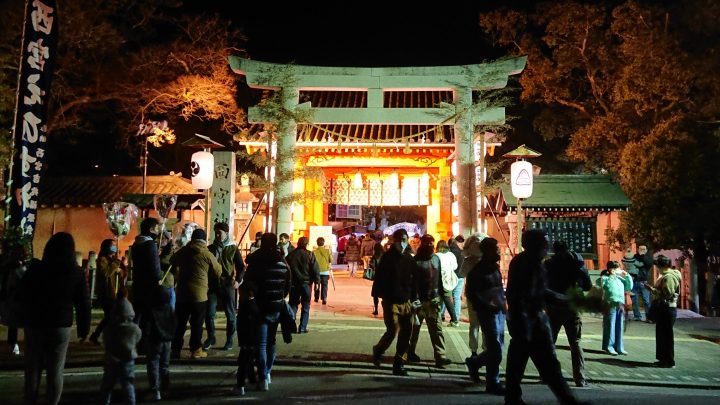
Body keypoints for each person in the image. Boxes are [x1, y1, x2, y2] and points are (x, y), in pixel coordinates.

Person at [504, 229, 585, 405]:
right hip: (526, 321)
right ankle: (566, 400)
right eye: (543, 243)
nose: (546, 246)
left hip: (534, 320)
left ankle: (514, 397)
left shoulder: (536, 263)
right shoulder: (524, 263)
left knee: (539, 364)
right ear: (532, 245)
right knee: (533, 364)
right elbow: (521, 294)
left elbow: (541, 292)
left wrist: (563, 299)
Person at [19, 232, 90, 405]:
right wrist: (84, 329)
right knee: (56, 369)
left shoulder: (37, 268)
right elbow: (83, 303)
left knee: (33, 367)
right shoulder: (76, 272)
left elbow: (23, 293)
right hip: (60, 324)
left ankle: (30, 400)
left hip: (36, 322)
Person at [244, 233, 291, 391]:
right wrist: (279, 297)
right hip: (276, 306)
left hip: (259, 307)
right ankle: (268, 373)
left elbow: (248, 283)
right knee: (271, 342)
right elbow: (287, 286)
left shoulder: (256, 261)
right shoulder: (283, 263)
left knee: (261, 344)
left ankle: (263, 377)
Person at [545, 241, 592, 387]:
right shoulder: (577, 263)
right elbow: (587, 285)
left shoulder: (549, 264)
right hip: (573, 306)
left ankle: (551, 375)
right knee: (576, 342)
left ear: (554, 249)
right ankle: (580, 378)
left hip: (554, 306)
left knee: (550, 342)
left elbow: (542, 284)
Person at [371, 229, 417, 376]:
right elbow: (379, 279)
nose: (404, 243)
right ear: (395, 241)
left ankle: (399, 362)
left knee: (406, 331)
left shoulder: (409, 259)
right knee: (392, 330)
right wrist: (378, 298)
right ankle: (378, 349)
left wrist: (415, 298)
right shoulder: (387, 258)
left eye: (406, 240)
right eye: (401, 240)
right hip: (391, 301)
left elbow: (414, 281)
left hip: (406, 301)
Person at [170, 228, 222, 359]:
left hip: (182, 293)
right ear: (204, 239)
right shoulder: (207, 254)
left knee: (180, 323)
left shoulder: (183, 251)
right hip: (199, 295)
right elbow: (218, 271)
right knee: (197, 323)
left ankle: (176, 349)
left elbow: (172, 261)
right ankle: (196, 350)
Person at [464, 237, 506, 395]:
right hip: (487, 313)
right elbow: (471, 293)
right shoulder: (478, 270)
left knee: (498, 346)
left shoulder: (494, 267)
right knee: (495, 347)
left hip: (499, 311)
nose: (497, 251)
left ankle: (475, 363)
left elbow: (498, 288)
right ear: (486, 250)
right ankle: (492, 381)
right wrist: (486, 303)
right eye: (494, 248)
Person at [407, 235, 452, 368]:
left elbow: (438, 279)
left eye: (432, 244)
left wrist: (441, 296)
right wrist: (413, 299)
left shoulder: (436, 259)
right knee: (414, 329)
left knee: (437, 329)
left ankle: (440, 356)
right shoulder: (415, 261)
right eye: (428, 243)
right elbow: (411, 282)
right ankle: (410, 352)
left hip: (433, 300)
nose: (430, 246)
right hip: (419, 301)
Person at [205, 222, 244, 351]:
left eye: (219, 232)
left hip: (228, 284)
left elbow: (241, 267)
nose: (217, 235)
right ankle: (211, 337)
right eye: (215, 232)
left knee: (230, 314)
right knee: (209, 313)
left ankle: (229, 339)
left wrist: (238, 280)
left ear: (226, 233)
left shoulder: (233, 248)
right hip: (213, 284)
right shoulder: (210, 248)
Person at [100, 295, 142, 405]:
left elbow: (106, 340)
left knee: (107, 385)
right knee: (128, 383)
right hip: (128, 359)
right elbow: (138, 337)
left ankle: (105, 401)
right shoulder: (134, 328)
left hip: (112, 359)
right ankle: (131, 402)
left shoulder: (111, 328)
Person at [645, 255, 682, 368]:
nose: (657, 268)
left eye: (658, 266)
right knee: (661, 335)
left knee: (666, 336)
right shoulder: (666, 275)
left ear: (662, 266)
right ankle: (662, 359)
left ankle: (669, 361)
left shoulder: (669, 277)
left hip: (667, 308)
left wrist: (652, 290)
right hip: (665, 308)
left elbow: (668, 293)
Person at [89, 239, 126, 345]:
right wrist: (115, 263)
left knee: (111, 316)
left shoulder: (113, 260)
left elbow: (121, 274)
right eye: (112, 246)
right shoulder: (102, 260)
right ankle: (102, 336)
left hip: (114, 292)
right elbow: (106, 273)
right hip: (106, 293)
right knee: (110, 316)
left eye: (115, 246)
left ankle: (98, 335)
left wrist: (122, 267)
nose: (115, 248)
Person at [130, 218, 163, 331]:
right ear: (151, 229)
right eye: (157, 228)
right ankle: (144, 341)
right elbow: (154, 266)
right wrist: (158, 279)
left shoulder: (136, 244)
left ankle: (131, 336)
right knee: (147, 315)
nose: (158, 231)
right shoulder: (150, 245)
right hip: (149, 285)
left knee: (137, 312)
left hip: (138, 282)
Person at [144, 285, 176, 401]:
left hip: (155, 340)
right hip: (167, 341)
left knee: (153, 365)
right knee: (164, 366)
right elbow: (174, 324)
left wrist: (146, 338)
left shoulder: (152, 310)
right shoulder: (170, 309)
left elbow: (148, 326)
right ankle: (166, 389)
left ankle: (154, 391)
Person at [231, 270, 259, 397]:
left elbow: (241, 325)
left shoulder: (245, 306)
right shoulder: (255, 306)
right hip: (253, 339)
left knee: (243, 361)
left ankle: (240, 385)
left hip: (246, 339)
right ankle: (252, 379)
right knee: (249, 360)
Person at [0, 236, 29, 356]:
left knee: (13, 323)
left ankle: (13, 345)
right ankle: (14, 345)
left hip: (8, 296)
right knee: (15, 322)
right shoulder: (18, 267)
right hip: (13, 298)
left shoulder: (7, 264)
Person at [598, 260, 633, 356]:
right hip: (610, 303)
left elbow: (629, 287)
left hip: (620, 303)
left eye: (618, 267)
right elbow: (605, 287)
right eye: (616, 268)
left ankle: (619, 347)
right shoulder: (605, 278)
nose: (618, 270)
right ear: (610, 269)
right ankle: (609, 347)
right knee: (610, 325)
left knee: (619, 326)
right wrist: (612, 276)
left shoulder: (620, 278)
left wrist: (627, 276)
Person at [286, 237, 320, 333]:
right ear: (306, 244)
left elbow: (286, 269)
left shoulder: (291, 255)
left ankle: (291, 326)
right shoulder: (310, 254)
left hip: (293, 284)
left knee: (293, 304)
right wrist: (317, 282)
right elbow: (315, 269)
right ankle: (302, 327)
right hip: (306, 284)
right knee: (305, 305)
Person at [459, 233, 485, 358]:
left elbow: (462, 274)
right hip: (486, 296)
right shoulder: (488, 262)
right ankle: (486, 349)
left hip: (472, 295)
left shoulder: (468, 261)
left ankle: (473, 351)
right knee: (486, 324)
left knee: (474, 325)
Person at [436, 239, 459, 326]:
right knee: (447, 300)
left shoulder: (436, 255)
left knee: (438, 300)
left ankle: (439, 319)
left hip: (437, 280)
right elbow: (455, 267)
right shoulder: (451, 255)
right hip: (447, 280)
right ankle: (454, 320)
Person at [632, 245, 653, 321]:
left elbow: (649, 263)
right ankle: (637, 316)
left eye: (644, 249)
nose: (642, 250)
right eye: (640, 249)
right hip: (634, 280)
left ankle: (649, 317)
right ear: (637, 249)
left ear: (646, 250)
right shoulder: (634, 257)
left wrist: (643, 256)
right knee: (634, 299)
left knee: (646, 300)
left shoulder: (648, 258)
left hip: (643, 281)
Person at [448, 236, 465, 326]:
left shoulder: (450, 252)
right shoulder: (462, 253)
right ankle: (456, 316)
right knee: (457, 297)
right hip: (461, 276)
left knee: (446, 295)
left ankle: (442, 315)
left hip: (452, 276)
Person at [313, 237, 333, 305]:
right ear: (323, 243)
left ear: (317, 243)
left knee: (317, 284)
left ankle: (316, 298)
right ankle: (324, 298)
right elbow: (331, 260)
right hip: (325, 271)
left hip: (316, 271)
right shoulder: (327, 251)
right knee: (324, 285)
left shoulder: (314, 252)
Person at [369, 243, 385, 316]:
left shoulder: (375, 256)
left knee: (376, 295)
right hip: (385, 277)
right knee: (384, 295)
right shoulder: (385, 255)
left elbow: (371, 265)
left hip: (377, 277)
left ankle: (376, 309)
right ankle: (385, 311)